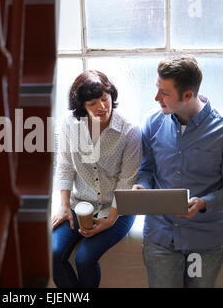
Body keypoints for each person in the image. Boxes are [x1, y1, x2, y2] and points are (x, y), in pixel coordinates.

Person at [133, 55, 223, 288]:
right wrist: (142, 186)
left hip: (205, 241)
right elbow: (146, 169)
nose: (157, 98)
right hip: (161, 238)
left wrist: (203, 203)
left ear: (187, 95)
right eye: (157, 89)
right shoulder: (152, 122)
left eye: (164, 93)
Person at [52, 70, 142, 288]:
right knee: (53, 254)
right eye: (92, 103)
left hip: (117, 208)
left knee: (84, 259)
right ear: (81, 105)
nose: (102, 107)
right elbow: (64, 165)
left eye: (105, 98)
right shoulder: (69, 125)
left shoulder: (129, 131)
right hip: (78, 204)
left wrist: (110, 220)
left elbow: (127, 181)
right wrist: (64, 206)